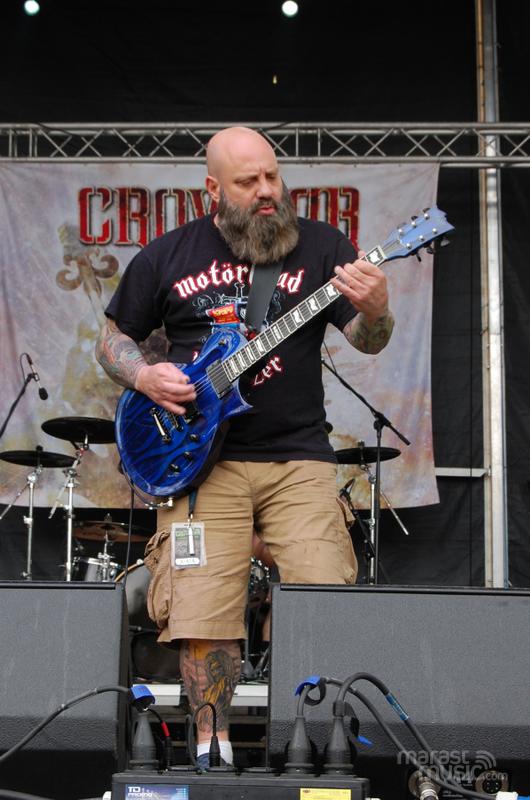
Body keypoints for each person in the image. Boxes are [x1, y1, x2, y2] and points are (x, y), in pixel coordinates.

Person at [96, 126, 394, 768]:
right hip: (202, 463)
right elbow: (112, 339)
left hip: (299, 457)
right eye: (247, 181)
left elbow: (368, 340)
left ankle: (321, 751)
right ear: (213, 189)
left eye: (271, 176)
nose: (265, 191)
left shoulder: (323, 247)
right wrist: (143, 376)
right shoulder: (169, 253)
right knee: (203, 613)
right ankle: (213, 751)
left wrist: (376, 309)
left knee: (324, 596)